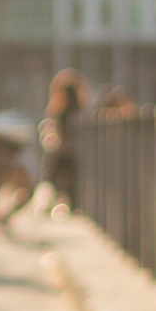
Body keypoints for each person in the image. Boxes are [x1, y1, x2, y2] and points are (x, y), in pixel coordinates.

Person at [38, 68, 86, 217]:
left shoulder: (62, 109)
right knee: (61, 173)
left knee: (58, 173)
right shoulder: (74, 109)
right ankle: (63, 201)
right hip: (69, 152)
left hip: (69, 152)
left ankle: (58, 200)